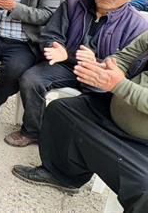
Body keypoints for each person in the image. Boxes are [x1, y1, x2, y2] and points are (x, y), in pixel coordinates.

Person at [5, 0, 148, 147]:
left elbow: (129, 67)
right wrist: (54, 48)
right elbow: (50, 35)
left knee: (102, 102)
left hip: (101, 74)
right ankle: (32, 131)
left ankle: (77, 142)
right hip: (64, 64)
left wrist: (96, 63)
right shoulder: (73, 4)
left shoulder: (137, 25)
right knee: (31, 79)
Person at [11, 31, 148, 212]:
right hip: (114, 110)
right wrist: (103, 71)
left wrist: (119, 85)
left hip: (143, 141)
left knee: (144, 189)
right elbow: (124, 58)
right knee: (61, 111)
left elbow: (122, 85)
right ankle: (63, 176)